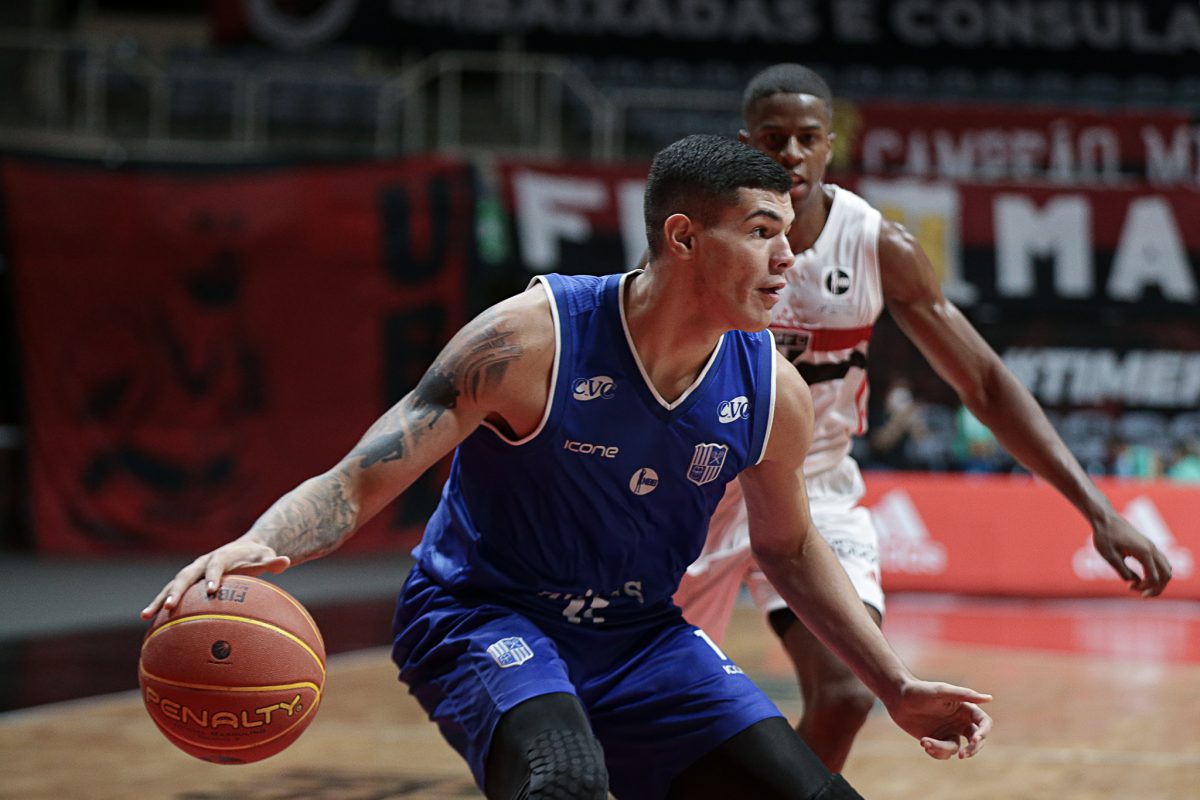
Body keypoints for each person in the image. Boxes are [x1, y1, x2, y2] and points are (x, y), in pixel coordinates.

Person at [142, 135, 991, 800]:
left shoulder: (773, 388)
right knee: (566, 784)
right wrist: (261, 543)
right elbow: (359, 478)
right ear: (684, 237)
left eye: (789, 236)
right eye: (762, 233)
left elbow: (791, 547)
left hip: (639, 635)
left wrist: (895, 683)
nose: (788, 259)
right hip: (482, 614)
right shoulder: (528, 340)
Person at [674, 64, 1173, 774]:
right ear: (747, 144)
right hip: (703, 486)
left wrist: (1098, 510)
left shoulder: (877, 245)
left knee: (847, 692)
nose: (791, 153)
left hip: (814, 488)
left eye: (808, 137)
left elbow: (985, 383)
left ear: (831, 146)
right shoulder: (707, 241)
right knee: (644, 705)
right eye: (774, 138)